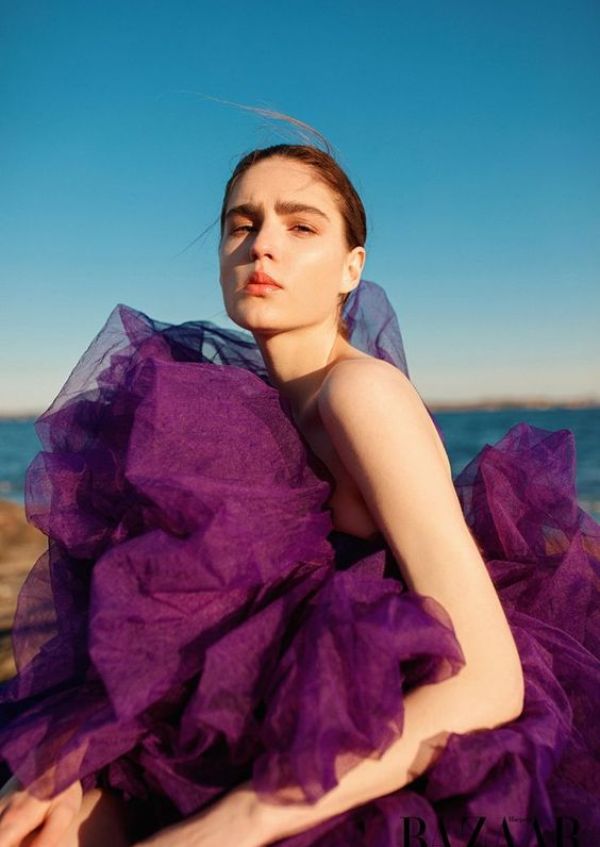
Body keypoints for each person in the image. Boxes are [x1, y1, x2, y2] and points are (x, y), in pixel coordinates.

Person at [1, 139, 599, 847]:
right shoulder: (239, 410)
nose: (262, 246)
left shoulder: (361, 393)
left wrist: (230, 826)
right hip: (232, 733)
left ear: (352, 268)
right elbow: (161, 638)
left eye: (301, 225)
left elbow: (492, 683)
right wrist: (73, 759)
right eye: (242, 224)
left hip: (380, 751)